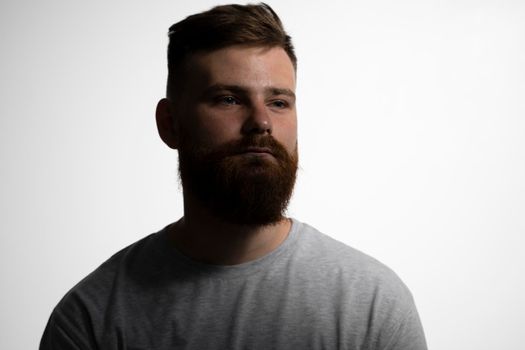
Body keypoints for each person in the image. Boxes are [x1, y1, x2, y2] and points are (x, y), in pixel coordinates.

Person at [40, 3, 427, 349]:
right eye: (228, 99)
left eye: (278, 102)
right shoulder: (92, 320)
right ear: (169, 124)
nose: (261, 122)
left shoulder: (372, 305)